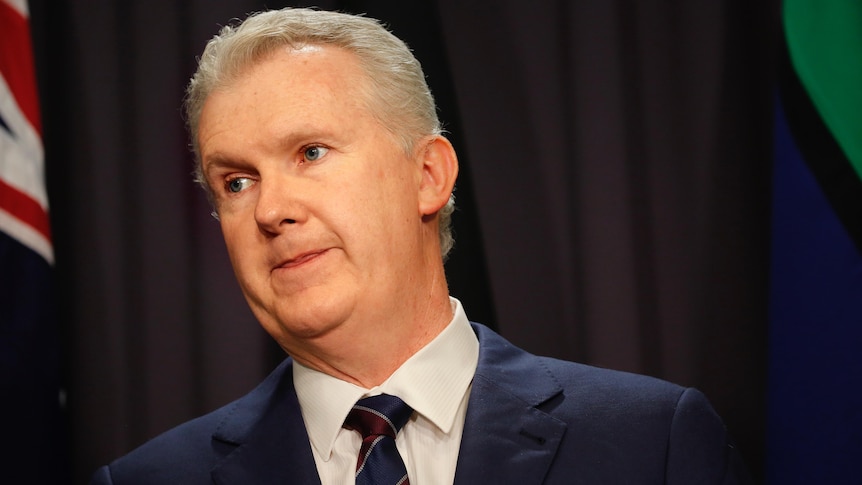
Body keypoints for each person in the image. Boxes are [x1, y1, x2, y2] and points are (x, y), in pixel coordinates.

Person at [91, 7, 751, 484]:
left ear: (428, 174)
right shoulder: (146, 479)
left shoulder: (651, 444)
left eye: (310, 152)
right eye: (235, 181)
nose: (271, 209)